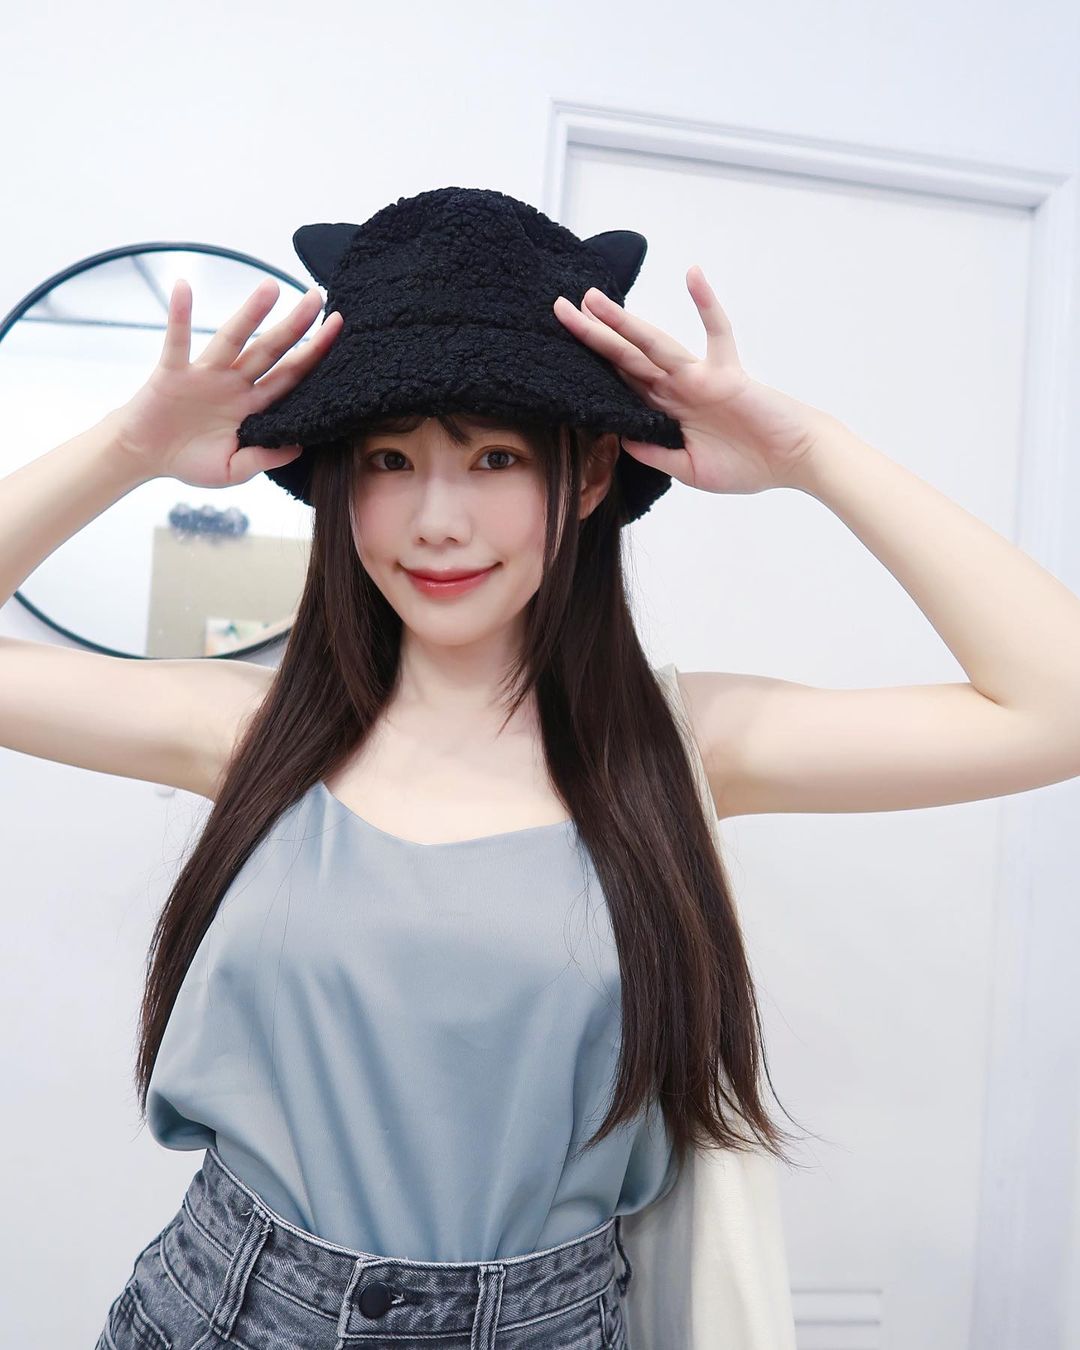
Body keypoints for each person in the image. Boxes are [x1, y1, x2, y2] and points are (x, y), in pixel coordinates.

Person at [5, 190, 1080, 1350]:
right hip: (227, 1313)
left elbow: (1054, 706)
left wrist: (811, 455)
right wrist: (128, 450)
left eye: (496, 457)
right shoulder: (248, 733)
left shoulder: (674, 747)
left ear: (589, 474)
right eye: (390, 459)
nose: (437, 520)